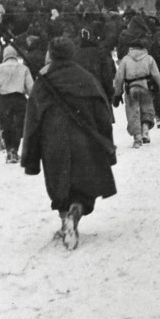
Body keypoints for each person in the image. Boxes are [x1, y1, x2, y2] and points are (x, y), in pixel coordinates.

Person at [21, 37, 117, 250]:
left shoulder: (43, 81)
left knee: (58, 184)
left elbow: (32, 120)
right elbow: (103, 114)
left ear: (51, 54)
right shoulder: (86, 78)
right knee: (83, 187)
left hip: (52, 141)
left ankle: (66, 219)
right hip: (85, 141)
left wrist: (30, 155)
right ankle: (75, 212)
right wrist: (107, 146)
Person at [113, 39, 160, 148]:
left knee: (133, 112)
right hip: (146, 87)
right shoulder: (149, 58)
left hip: (131, 88)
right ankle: (145, 132)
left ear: (131, 48)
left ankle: (137, 137)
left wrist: (117, 94)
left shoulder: (125, 60)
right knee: (147, 109)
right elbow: (157, 75)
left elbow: (119, 78)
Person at [0, 45, 34, 163]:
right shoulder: (23, 68)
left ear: (4, 55)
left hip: (4, 101)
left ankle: (9, 150)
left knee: (7, 126)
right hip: (20, 100)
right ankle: (15, 151)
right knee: (18, 126)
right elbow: (31, 87)